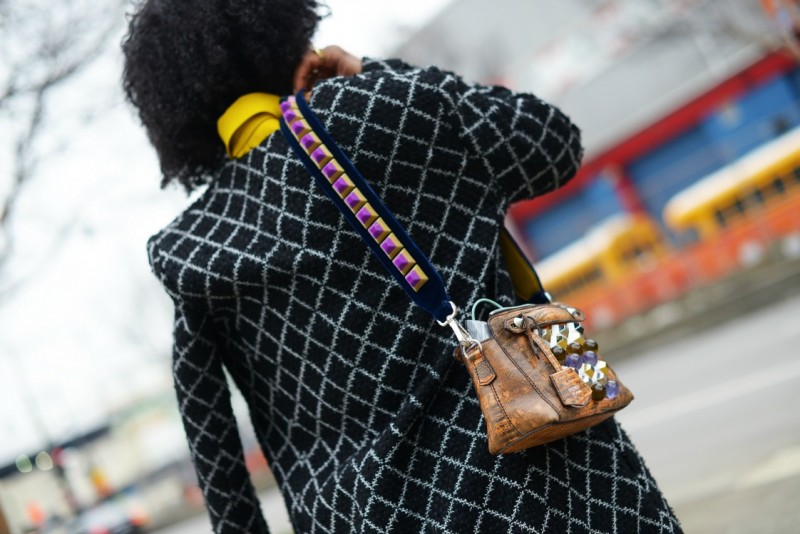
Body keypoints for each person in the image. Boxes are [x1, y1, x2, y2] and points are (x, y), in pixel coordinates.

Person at [122, 1, 681, 532]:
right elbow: (551, 141)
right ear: (287, 35)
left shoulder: (192, 249)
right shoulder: (379, 111)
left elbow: (216, 458)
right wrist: (375, 75)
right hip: (555, 488)